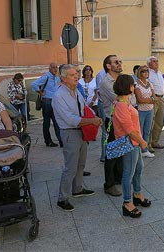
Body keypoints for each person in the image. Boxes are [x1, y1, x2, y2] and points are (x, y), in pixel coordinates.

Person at [52, 64, 102, 211]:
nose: (77, 76)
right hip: (70, 132)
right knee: (70, 167)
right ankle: (62, 198)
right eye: (73, 75)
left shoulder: (76, 91)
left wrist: (94, 116)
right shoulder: (58, 96)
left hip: (81, 131)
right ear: (64, 78)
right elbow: (71, 119)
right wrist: (91, 121)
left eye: (77, 73)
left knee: (81, 163)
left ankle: (78, 188)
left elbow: (84, 108)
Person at [112, 74, 151, 218]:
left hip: (134, 142)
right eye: (132, 84)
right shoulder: (122, 105)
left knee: (138, 168)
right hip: (129, 143)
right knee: (128, 173)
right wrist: (142, 141)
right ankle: (127, 203)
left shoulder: (124, 101)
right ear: (127, 86)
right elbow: (129, 129)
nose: (134, 86)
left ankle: (137, 193)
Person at [99, 55, 124, 196]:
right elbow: (119, 98)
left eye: (119, 61)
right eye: (116, 62)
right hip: (112, 120)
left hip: (122, 119)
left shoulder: (120, 80)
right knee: (111, 153)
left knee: (120, 151)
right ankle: (109, 184)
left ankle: (118, 178)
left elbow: (129, 97)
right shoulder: (105, 82)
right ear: (108, 66)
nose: (119, 63)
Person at [31, 63, 63, 147]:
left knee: (57, 121)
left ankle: (61, 141)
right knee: (47, 122)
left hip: (55, 102)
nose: (55, 69)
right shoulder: (46, 77)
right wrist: (40, 92)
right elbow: (33, 84)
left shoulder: (56, 78)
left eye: (56, 67)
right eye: (53, 67)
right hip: (47, 102)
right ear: (49, 69)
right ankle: (48, 141)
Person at [134, 65, 155, 158]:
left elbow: (154, 98)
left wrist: (147, 100)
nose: (146, 72)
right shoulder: (137, 84)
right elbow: (139, 100)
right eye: (143, 71)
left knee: (147, 130)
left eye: (147, 71)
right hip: (141, 111)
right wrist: (150, 99)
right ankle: (138, 149)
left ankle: (145, 149)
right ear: (139, 73)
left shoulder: (150, 83)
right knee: (139, 131)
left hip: (150, 110)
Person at [147, 56, 164, 152]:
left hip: (161, 98)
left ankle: (155, 141)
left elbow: (162, 86)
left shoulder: (159, 73)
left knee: (159, 121)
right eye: (154, 61)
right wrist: (153, 97)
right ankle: (148, 144)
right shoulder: (148, 73)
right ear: (149, 64)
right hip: (153, 99)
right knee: (151, 122)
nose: (156, 63)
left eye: (157, 61)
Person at [96, 68, 107, 162]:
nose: (119, 64)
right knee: (105, 130)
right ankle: (104, 154)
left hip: (114, 105)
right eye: (116, 62)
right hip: (104, 105)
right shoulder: (101, 75)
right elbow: (100, 91)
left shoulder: (116, 75)